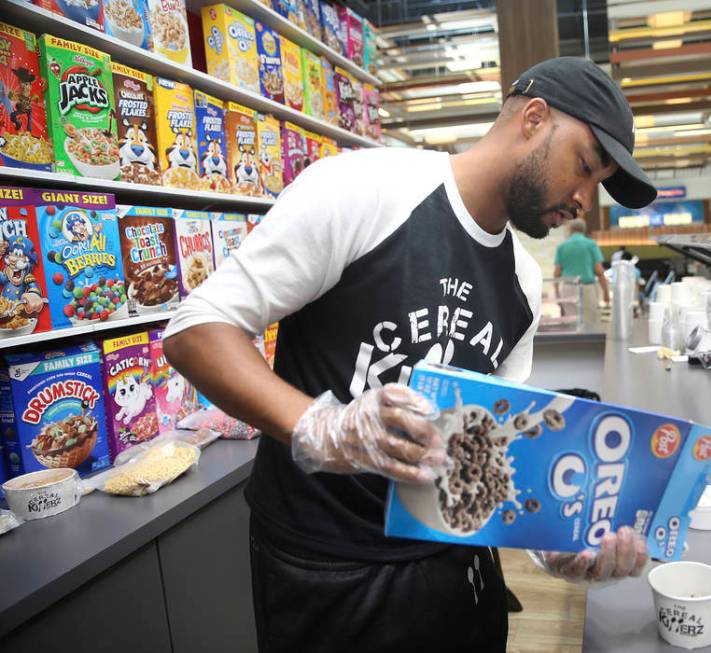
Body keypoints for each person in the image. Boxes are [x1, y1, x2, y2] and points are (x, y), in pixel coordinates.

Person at [163, 57, 658, 652]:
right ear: (533, 118)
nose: (584, 198)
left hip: (454, 573)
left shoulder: (522, 286)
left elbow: (487, 452)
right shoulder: (363, 190)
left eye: (597, 183)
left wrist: (550, 537)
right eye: (584, 167)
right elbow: (196, 326)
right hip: (325, 571)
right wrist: (324, 428)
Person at [554, 218, 610, 323]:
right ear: (583, 230)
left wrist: (557, 293)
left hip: (568, 288)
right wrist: (606, 292)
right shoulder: (591, 244)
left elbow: (556, 274)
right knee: (590, 323)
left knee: (571, 324)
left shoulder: (562, 247)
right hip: (587, 288)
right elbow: (599, 271)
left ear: (570, 229)